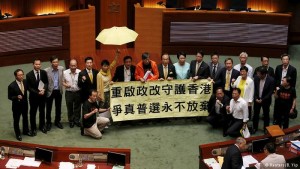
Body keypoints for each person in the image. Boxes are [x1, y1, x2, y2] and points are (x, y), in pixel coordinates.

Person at [8, 69, 33, 141]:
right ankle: (18, 134)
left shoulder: (25, 82)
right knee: (16, 120)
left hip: (25, 104)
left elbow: (29, 89)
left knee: (25, 118)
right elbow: (9, 97)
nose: (21, 76)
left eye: (22, 74)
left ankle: (26, 131)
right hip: (16, 106)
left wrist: (38, 91)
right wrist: (16, 97)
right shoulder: (11, 86)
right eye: (19, 75)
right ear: (15, 76)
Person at [26, 59, 49, 135]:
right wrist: (38, 92)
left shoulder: (43, 72)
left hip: (42, 96)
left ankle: (42, 126)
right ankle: (33, 128)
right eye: (36, 64)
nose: (38, 66)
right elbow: (29, 87)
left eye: (39, 64)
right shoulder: (28, 75)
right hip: (33, 98)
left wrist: (44, 89)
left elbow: (46, 82)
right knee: (33, 113)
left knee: (42, 112)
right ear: (33, 65)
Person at [273, 54, 297, 124]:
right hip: (279, 87)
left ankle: (284, 118)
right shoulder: (278, 67)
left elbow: (293, 82)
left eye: (287, 59)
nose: (285, 61)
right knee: (277, 104)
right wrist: (275, 89)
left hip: (287, 89)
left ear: (289, 60)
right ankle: (276, 119)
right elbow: (276, 79)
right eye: (284, 59)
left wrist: (291, 91)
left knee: (286, 105)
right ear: (281, 60)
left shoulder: (293, 69)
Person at [45, 56, 65, 131]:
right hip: (50, 91)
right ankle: (48, 123)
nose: (56, 63)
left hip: (58, 91)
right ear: (51, 63)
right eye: (54, 62)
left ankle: (57, 121)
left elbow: (62, 79)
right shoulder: (46, 71)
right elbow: (44, 82)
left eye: (57, 62)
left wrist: (64, 84)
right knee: (49, 108)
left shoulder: (61, 68)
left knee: (58, 107)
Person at [253, 66, 274, 134]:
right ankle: (254, 127)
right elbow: (254, 89)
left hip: (266, 100)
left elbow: (270, 92)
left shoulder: (271, 80)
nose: (258, 75)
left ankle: (266, 129)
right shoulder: (256, 78)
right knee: (256, 114)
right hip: (257, 99)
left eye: (259, 74)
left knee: (266, 115)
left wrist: (263, 99)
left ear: (264, 74)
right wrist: (255, 98)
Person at [63, 59, 81, 128]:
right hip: (69, 92)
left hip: (78, 92)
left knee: (77, 107)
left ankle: (77, 120)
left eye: (74, 66)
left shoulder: (80, 72)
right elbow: (62, 81)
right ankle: (71, 121)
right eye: (71, 66)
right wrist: (65, 85)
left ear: (76, 65)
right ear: (69, 66)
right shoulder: (65, 73)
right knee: (69, 107)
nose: (73, 67)